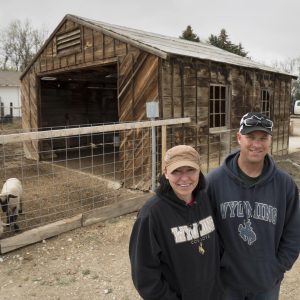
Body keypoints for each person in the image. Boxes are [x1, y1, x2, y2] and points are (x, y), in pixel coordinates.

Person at [206, 112, 300, 300]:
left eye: (263, 138)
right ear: (239, 138)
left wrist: (277, 267)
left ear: (270, 140)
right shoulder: (214, 182)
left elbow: (294, 231)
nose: (257, 144)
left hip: (265, 284)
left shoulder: (285, 185)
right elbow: (205, 231)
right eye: (250, 137)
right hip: (226, 283)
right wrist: (217, 266)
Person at [129, 145, 222, 300]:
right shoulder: (151, 214)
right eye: (176, 171)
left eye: (190, 170)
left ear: (199, 170)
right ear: (166, 173)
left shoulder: (206, 200)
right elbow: (144, 273)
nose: (184, 178)